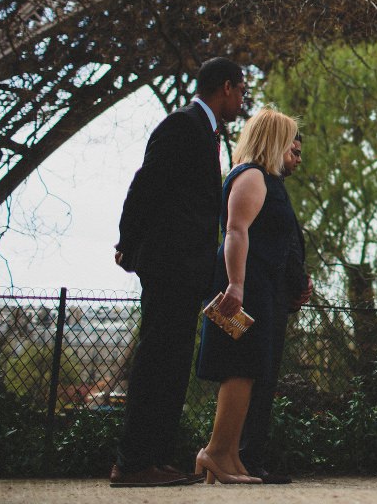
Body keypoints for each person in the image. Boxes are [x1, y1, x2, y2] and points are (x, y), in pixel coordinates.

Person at [110, 57, 245, 487]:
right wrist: (128, 244)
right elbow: (145, 184)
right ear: (226, 87)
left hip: (183, 264)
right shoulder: (183, 125)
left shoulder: (202, 130)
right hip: (170, 262)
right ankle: (133, 463)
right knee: (157, 361)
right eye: (241, 90)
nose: (243, 100)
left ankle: (153, 457)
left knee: (171, 362)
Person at [194, 108, 300, 484]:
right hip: (247, 284)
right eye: (288, 138)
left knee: (249, 370)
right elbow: (236, 231)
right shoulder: (252, 175)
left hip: (260, 284)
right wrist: (236, 285)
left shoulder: (262, 177)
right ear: (273, 138)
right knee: (239, 369)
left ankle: (227, 457)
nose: (293, 147)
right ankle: (217, 452)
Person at [239, 134, 314, 484]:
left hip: (274, 294)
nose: (298, 159)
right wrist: (297, 282)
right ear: (275, 146)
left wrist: (298, 285)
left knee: (261, 379)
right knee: (256, 377)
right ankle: (246, 457)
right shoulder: (261, 182)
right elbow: (270, 242)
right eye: (293, 151)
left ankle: (248, 456)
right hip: (262, 294)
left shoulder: (270, 184)